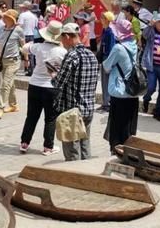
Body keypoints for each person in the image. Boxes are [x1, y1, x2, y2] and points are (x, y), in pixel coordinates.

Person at [52, 23, 100, 161]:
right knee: (85, 147)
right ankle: (87, 176)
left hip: (72, 110)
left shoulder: (72, 56)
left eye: (62, 38)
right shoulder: (91, 55)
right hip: (88, 108)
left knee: (72, 152)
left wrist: (54, 75)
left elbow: (58, 83)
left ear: (67, 36)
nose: (62, 42)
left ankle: (74, 177)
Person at [19, 21, 67, 156]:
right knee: (50, 118)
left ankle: (24, 143)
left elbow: (24, 47)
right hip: (52, 87)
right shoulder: (62, 51)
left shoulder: (38, 47)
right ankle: (48, 147)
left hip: (34, 85)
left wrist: (35, 41)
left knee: (31, 116)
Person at [103, 19, 139, 152]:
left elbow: (106, 66)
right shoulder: (134, 45)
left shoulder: (118, 48)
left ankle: (117, 150)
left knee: (117, 125)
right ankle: (129, 149)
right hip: (133, 90)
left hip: (120, 91)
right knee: (129, 125)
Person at [0, 9, 25, 119]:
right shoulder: (2, 29)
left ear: (12, 19)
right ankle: (14, 105)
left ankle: (0, 108)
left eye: (7, 18)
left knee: (4, 84)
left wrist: (27, 58)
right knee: (10, 84)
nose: (4, 19)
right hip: (2, 60)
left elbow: (23, 45)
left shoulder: (18, 30)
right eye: (4, 17)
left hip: (13, 61)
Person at [97, 11, 116, 112]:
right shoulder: (105, 30)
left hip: (107, 58)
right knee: (104, 81)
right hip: (104, 57)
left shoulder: (110, 32)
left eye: (103, 18)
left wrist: (109, 61)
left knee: (107, 81)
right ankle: (105, 103)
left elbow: (111, 47)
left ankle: (107, 104)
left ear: (108, 20)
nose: (101, 19)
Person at [18, 1, 38, 75]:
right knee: (31, 53)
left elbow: (20, 25)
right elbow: (36, 25)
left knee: (22, 52)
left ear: (24, 7)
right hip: (31, 35)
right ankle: (31, 69)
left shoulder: (22, 15)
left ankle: (25, 68)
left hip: (24, 35)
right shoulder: (34, 16)